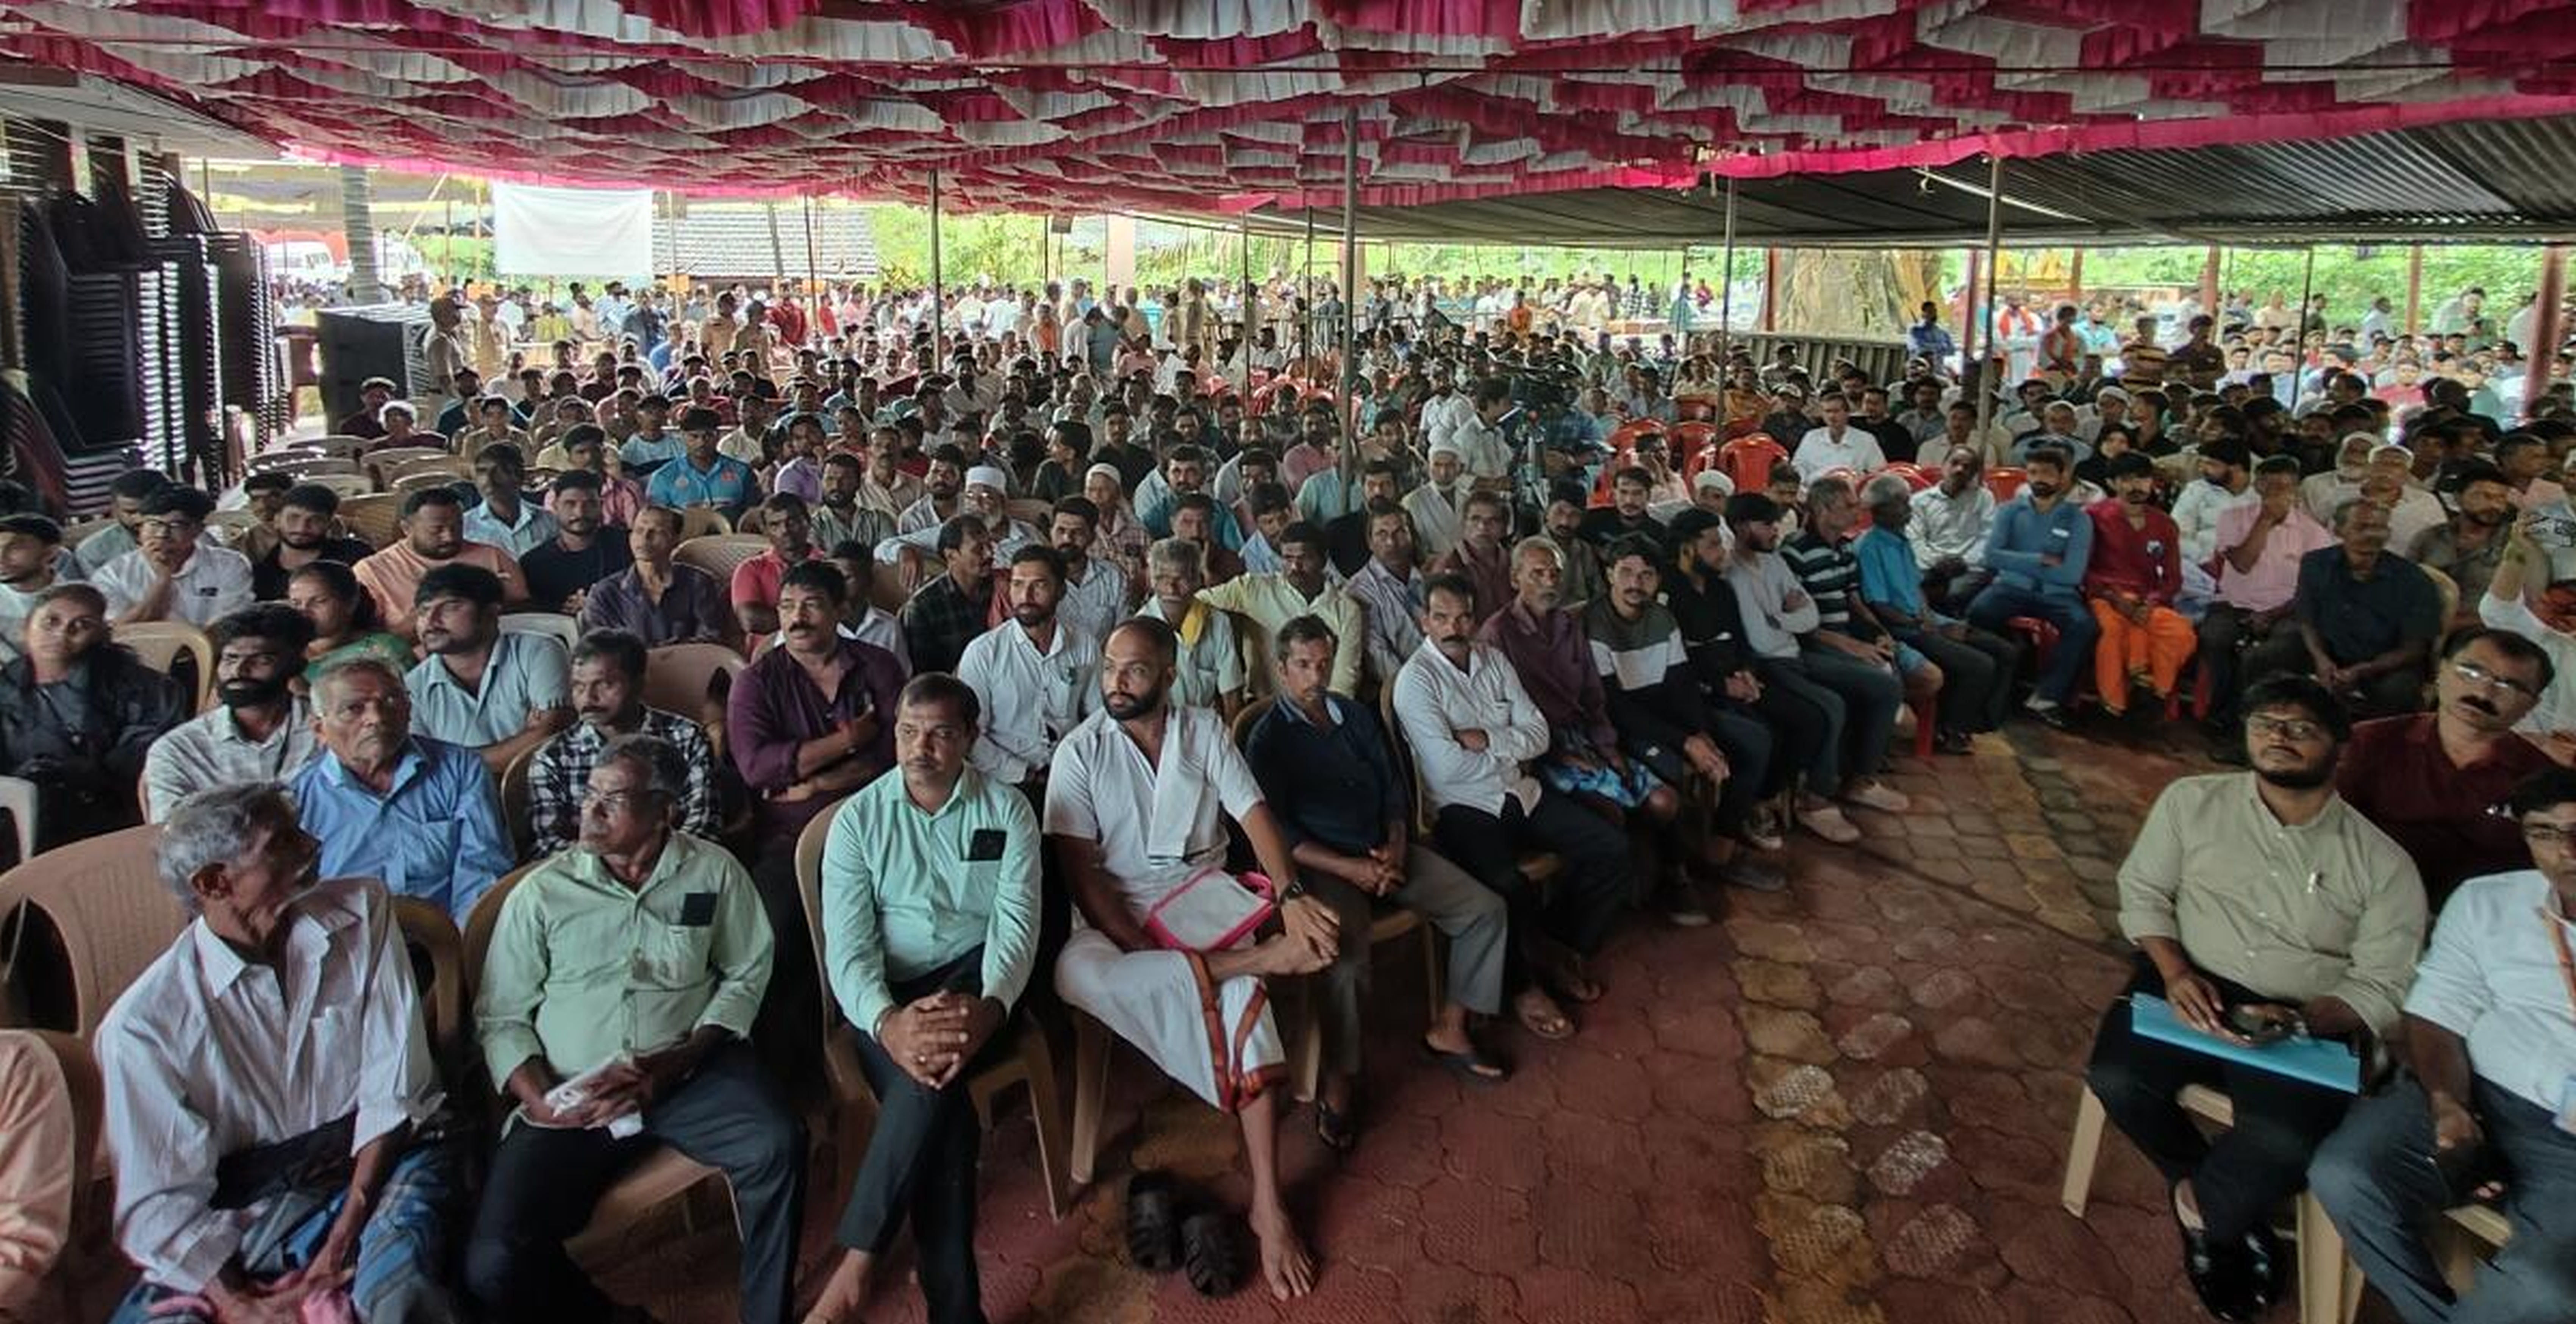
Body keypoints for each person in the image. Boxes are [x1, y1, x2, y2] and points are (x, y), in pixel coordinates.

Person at [2087, 676, 2425, 1322]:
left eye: (2301, 729)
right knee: (2118, 1079)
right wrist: (2175, 972)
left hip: (2302, 1014)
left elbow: (2385, 981)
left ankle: (2206, 1215)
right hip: (2189, 978)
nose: (2279, 737)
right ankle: (2225, 1205)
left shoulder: (2383, 863)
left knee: (2288, 1142)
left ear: (2340, 748)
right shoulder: (2193, 801)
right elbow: (2145, 893)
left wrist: (2304, 1017)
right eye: (2266, 724)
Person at [464, 733, 805, 1324]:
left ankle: (766, 1315)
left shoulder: (711, 872)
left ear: (664, 811)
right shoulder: (543, 894)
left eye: (613, 800)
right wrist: (541, 1100)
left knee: (777, 1142)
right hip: (573, 1092)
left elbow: (747, 972)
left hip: (686, 1072)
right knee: (494, 1261)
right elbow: (501, 1017)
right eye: (589, 795)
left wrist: (678, 1062)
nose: (590, 812)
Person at [98, 784, 460, 1324]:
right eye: (282, 843)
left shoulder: (360, 910)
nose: (311, 844)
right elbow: (161, 1202)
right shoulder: (144, 1027)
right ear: (214, 883)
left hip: (378, 1161)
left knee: (394, 1295)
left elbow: (395, 1085)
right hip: (247, 1205)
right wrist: (237, 1302)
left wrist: (350, 1223)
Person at [1044, 617, 1330, 1300]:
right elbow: (1083, 875)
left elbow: (1254, 815)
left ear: (1170, 676)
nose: (1116, 682)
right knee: (1077, 974)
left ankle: (1269, 1205)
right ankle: (1258, 962)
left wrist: (1291, 895)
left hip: (1201, 898)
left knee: (1248, 1009)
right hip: (1115, 915)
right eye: (1110, 667)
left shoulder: (1203, 730)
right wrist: (1145, 947)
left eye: (1135, 669)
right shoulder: (1081, 751)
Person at [805, 674, 1043, 1324]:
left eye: (940, 735)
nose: (921, 749)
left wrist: (991, 1009)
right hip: (888, 992)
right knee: (937, 1089)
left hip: (976, 978)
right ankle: (951, 1311)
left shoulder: (1008, 811)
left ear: (970, 738)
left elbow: (1015, 931)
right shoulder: (858, 822)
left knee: (931, 1076)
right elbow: (849, 952)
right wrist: (887, 1023)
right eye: (909, 733)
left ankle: (859, 1262)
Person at [2309, 765, 2576, 1324]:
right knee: (2346, 1175)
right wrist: (2449, 1106)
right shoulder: (2487, 902)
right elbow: (2434, 1012)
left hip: (2568, 1151)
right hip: (2474, 1091)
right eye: (2544, 833)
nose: (2565, 851)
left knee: (2546, 1289)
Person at [1246, 615, 1514, 1140]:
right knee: (1345, 963)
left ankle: (1451, 1027)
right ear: (1281, 668)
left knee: (1484, 909)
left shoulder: (1352, 714)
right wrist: (1353, 868)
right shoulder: (1268, 739)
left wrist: (1394, 843)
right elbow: (1280, 834)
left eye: (1323, 663)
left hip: (1382, 850)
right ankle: (1340, 1076)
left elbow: (1393, 787)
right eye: (1303, 665)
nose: (1316, 676)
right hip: (1323, 865)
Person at [1396, 573, 1634, 1040]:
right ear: (1423, 620)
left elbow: (1539, 734)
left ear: (1475, 617)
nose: (1453, 627)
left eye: (1463, 616)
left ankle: (1555, 943)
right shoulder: (1415, 681)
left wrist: (1485, 740)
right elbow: (1447, 768)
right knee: (1505, 885)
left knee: (1611, 848)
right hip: (1462, 807)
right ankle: (1523, 986)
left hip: (1519, 792)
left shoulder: (1494, 659)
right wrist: (1509, 745)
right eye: (1441, 617)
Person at [1583, 537, 1787, 896]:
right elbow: (1615, 706)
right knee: (1672, 767)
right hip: (1626, 725)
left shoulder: (1663, 618)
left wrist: (1702, 733)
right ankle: (1674, 872)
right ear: (1610, 574)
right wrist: (1686, 742)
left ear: (1658, 580)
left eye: (1647, 575)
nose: (1635, 583)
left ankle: (1720, 849)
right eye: (1626, 573)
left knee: (1755, 741)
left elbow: (1682, 684)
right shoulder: (1595, 623)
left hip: (1669, 715)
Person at [1723, 494, 1906, 835]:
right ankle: (1815, 800)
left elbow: (1811, 617)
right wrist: (1787, 616)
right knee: (1831, 705)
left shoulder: (1774, 562)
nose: (1776, 530)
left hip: (1796, 653)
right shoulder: (1732, 574)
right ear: (1741, 527)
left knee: (1885, 686)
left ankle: (1860, 781)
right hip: (1770, 664)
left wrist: (1779, 619)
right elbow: (1761, 640)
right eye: (1767, 525)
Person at [2334, 628, 2554, 907]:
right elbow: (2327, 830)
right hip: (2366, 900)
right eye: (2471, 673)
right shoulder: (2370, 742)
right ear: (2441, 671)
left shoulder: (2543, 780)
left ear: (2531, 705)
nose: (2483, 692)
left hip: (2480, 919)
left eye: (2509, 685)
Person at [289, 659, 513, 923]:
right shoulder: (296, 798)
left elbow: (483, 868)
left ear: (409, 710)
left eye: (391, 701)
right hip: (348, 940)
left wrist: (461, 940)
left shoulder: (460, 769)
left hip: (448, 935)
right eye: (354, 709)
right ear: (320, 729)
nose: (376, 718)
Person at [730, 560, 904, 843]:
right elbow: (757, 768)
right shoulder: (756, 682)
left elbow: (896, 753)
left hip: (878, 818)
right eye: (787, 606)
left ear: (842, 611)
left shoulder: (878, 666)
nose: (797, 617)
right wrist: (847, 741)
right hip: (792, 831)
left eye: (812, 605)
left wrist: (819, 783)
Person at [0, 584, 181, 848]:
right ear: (26, 628)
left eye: (82, 625)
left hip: (109, 811)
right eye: (51, 622)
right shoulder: (6, 687)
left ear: (100, 635)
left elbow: (141, 763)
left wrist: (69, 774)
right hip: (18, 808)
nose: (63, 633)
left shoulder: (144, 688)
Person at [525, 628, 717, 859]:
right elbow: (548, 844)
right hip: (588, 877)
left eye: (605, 685)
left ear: (639, 684)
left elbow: (704, 824)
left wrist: (653, 863)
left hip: (681, 867)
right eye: (578, 686)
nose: (588, 698)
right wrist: (618, 866)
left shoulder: (686, 737)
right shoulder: (553, 757)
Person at [2242, 499, 2442, 719]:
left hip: (2386, 662)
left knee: (2399, 691)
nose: (2372, 535)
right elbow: (2307, 618)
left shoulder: (2414, 579)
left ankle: (2367, 739)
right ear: (2339, 530)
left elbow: (2415, 648)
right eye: (2362, 527)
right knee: (2260, 658)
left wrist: (2364, 669)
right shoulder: (2316, 564)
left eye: (2380, 528)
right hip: (2328, 648)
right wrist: (2321, 658)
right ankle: (2248, 726)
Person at [1855, 475, 2016, 746]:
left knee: (2005, 651)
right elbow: (1879, 606)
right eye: (1902, 503)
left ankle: (1981, 722)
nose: (1909, 509)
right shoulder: (1870, 546)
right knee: (1979, 665)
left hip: (1924, 620)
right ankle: (1950, 730)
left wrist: (1931, 617)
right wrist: (1923, 626)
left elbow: (1916, 587)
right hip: (1901, 628)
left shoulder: (1901, 539)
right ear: (1881, 510)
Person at [2201, 455, 2337, 746]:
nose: (2276, 494)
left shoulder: (2314, 533)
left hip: (2287, 611)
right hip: (2234, 604)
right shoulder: (2233, 518)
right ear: (2257, 486)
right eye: (2270, 487)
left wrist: (2273, 615)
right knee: (2215, 638)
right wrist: (2265, 521)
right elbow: (2242, 563)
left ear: (2295, 491)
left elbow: (2311, 591)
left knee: (2266, 656)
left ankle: (2243, 723)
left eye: (2284, 488)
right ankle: (2219, 714)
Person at [142, 605, 320, 821]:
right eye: (230, 659)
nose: (239, 670)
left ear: (295, 666)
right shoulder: (179, 749)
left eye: (261, 660)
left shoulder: (328, 731)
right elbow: (173, 832)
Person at [1965, 443, 2099, 728]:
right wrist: (2039, 560)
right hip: (2011, 588)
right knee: (1979, 611)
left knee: (2084, 625)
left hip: (2058, 594)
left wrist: (2015, 560)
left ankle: (2047, 697)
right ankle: (1992, 688)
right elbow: (1992, 556)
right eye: (2034, 472)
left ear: (2063, 477)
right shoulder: (2010, 511)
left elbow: (2072, 575)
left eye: (2047, 473)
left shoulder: (2079, 519)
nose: (2040, 479)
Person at [403, 565, 572, 776]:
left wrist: (453, 761)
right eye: (423, 611)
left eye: (450, 607)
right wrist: (527, 738)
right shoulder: (413, 686)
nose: (431, 621)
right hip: (463, 796)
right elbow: (425, 766)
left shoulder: (538, 651)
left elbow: (550, 736)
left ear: (491, 612)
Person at [958, 546, 1099, 788]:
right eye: (1018, 585)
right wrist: (1024, 775)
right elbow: (971, 734)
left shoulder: (1084, 645)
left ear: (1061, 591)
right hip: (1003, 780)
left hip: (1071, 772)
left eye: (1039, 585)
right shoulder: (984, 652)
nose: (1026, 596)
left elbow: (1097, 717)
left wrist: (1078, 766)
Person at [2083, 451, 2197, 715]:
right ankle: (2114, 701)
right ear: (2112, 483)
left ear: (2152, 482)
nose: (2137, 486)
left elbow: (2173, 578)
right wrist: (2115, 598)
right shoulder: (2093, 516)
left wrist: (2151, 603)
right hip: (2104, 597)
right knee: (2112, 631)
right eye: (2127, 480)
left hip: (2147, 601)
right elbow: (2083, 570)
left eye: (2143, 479)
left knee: (2181, 633)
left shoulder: (2164, 523)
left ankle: (2158, 689)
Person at [1196, 521, 1365, 693]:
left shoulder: (1346, 610)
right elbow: (1197, 602)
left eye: (1304, 558)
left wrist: (1326, 708)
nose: (1295, 567)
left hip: (1324, 703)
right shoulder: (1254, 589)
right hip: (1265, 702)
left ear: (1323, 560)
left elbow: (1344, 682)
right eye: (1288, 559)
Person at [355, 488, 527, 643]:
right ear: (407, 529)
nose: (449, 537)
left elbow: (526, 608)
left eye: (457, 527)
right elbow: (362, 641)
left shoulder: (492, 556)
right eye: (437, 530)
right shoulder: (372, 571)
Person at [93, 487, 255, 628]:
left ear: (199, 530)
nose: (162, 534)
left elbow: (228, 626)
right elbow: (118, 630)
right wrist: (163, 581)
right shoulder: (112, 575)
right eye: (154, 524)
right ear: (141, 528)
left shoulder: (230, 565)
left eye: (176, 525)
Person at [575, 504, 733, 648]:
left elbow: (711, 639)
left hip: (690, 667)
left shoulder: (699, 583)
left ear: (676, 540)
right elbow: (598, 650)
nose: (645, 538)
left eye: (657, 532)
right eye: (639, 530)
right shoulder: (606, 593)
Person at [1132, 536, 1245, 717]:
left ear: (1197, 580)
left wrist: (1229, 733)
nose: (1172, 588)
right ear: (1152, 582)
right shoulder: (1140, 629)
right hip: (1160, 726)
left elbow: (1232, 694)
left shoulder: (1218, 621)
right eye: (1162, 579)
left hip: (1207, 725)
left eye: (1181, 579)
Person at [517, 470, 633, 616]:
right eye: (570, 504)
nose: (580, 513)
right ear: (555, 506)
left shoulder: (628, 545)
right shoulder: (534, 564)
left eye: (590, 504)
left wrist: (600, 605)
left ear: (601, 505)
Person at [900, 515, 996, 678]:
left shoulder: (1001, 588)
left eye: (990, 545)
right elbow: (925, 678)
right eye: (978, 549)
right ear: (951, 555)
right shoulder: (923, 606)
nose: (989, 554)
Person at [249, 483, 376, 602]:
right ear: (277, 521)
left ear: (329, 524)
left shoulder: (355, 555)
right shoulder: (260, 574)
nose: (302, 528)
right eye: (293, 518)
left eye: (316, 520)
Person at [288, 560, 416, 676]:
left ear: (351, 603)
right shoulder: (285, 652)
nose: (304, 612)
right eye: (296, 603)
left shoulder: (383, 650)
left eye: (319, 602)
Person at [642, 405, 758, 520]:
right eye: (694, 436)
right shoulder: (664, 477)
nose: (701, 442)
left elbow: (752, 517)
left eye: (708, 436)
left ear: (718, 436)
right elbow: (656, 521)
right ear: (682, 436)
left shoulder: (742, 472)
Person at [731, 492, 822, 638]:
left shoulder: (829, 565)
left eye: (792, 522)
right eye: (775, 525)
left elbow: (843, 614)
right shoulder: (750, 569)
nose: (785, 530)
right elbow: (751, 621)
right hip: (768, 649)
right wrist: (818, 619)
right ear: (766, 532)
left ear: (808, 523)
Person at [1044, 497, 1130, 645]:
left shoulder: (1113, 576)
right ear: (1050, 533)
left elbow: (1123, 630)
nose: (1067, 539)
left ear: (1092, 537)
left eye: (1077, 532)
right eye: (1061, 531)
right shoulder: (1039, 579)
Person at [460, 445, 560, 559]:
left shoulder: (550, 522)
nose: (489, 481)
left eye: (499, 472)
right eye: (481, 472)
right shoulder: (465, 528)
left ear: (519, 476)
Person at [76, 470, 171, 577]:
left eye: (151, 511)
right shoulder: (94, 553)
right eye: (131, 512)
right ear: (115, 510)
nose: (140, 520)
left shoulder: (187, 542)